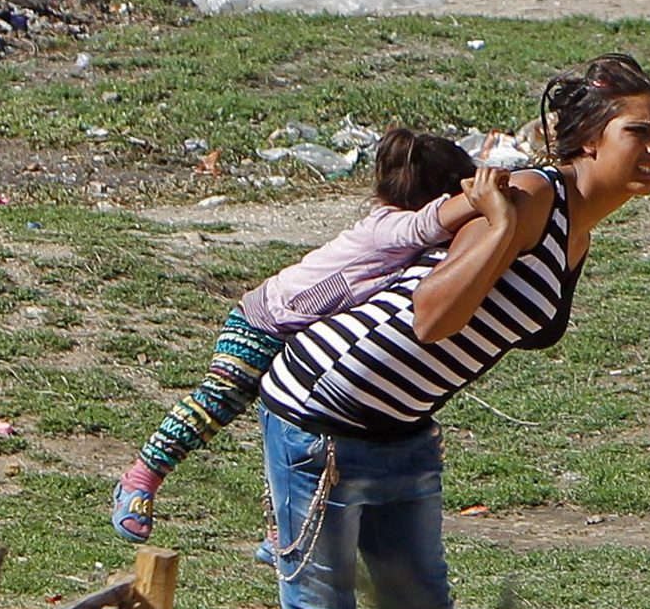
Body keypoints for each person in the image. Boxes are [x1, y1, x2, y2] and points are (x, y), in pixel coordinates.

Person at [252, 56, 650, 609]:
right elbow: (434, 312)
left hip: (402, 427)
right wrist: (500, 226)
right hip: (321, 418)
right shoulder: (530, 202)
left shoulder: (573, 223)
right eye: (639, 132)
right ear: (587, 141)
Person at [110, 125, 485, 544]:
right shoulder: (388, 227)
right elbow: (429, 224)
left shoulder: (409, 240)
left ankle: (280, 530)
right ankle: (140, 478)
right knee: (217, 403)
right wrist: (480, 197)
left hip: (301, 340)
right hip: (264, 323)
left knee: (293, 427)